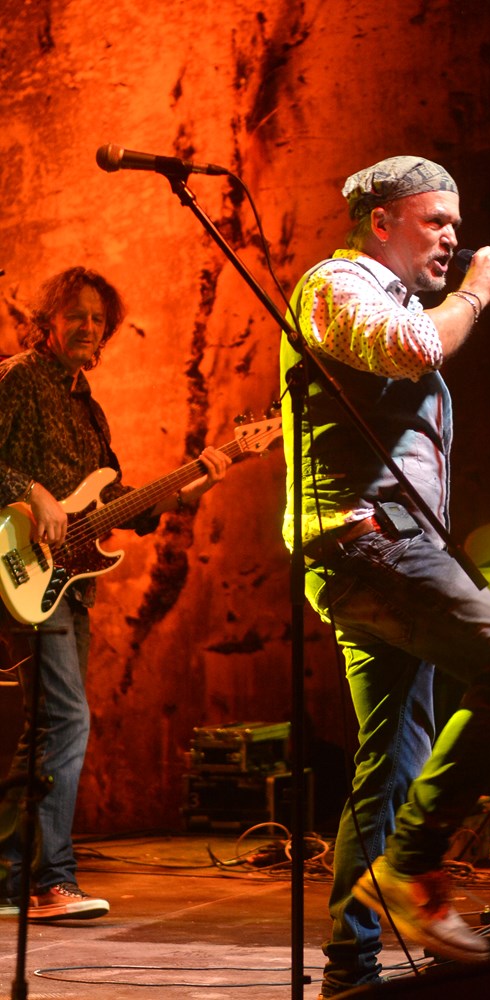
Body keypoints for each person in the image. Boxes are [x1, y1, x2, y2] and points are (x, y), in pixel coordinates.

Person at [279, 155, 490, 998]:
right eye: (436, 220)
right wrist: (477, 290)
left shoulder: (395, 300)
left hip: (381, 554)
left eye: (455, 224)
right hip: (371, 550)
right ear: (381, 222)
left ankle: (351, 971)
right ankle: (411, 868)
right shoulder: (336, 286)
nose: (451, 236)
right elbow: (412, 348)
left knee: (391, 765)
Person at [0, 267, 230, 920]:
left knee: (46, 727)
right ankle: (52, 882)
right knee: (69, 720)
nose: (89, 327)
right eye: (76, 314)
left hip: (66, 585)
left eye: (99, 319)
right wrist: (32, 492)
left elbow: (114, 501)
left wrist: (186, 491)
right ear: (48, 319)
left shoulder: (89, 407)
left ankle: (9, 879)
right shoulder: (19, 378)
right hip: (17, 565)